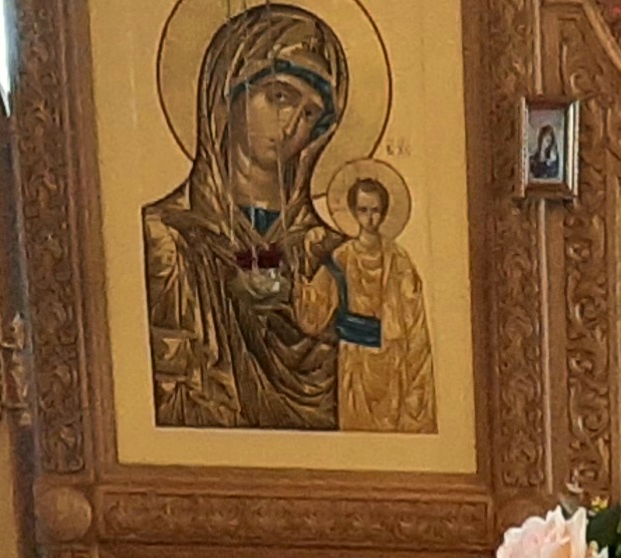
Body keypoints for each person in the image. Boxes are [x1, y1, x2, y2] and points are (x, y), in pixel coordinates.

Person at [142, 3, 350, 430]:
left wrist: (312, 314)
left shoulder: (329, 251)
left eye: (310, 113)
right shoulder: (168, 236)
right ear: (227, 90)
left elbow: (379, 347)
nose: (291, 125)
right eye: (279, 96)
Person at [331, 172, 433, 432]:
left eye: (375, 210)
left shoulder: (399, 260)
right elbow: (317, 305)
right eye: (363, 210)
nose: (369, 218)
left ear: (384, 212)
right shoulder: (342, 257)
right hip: (356, 359)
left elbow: (414, 315)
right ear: (353, 211)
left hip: (391, 360)